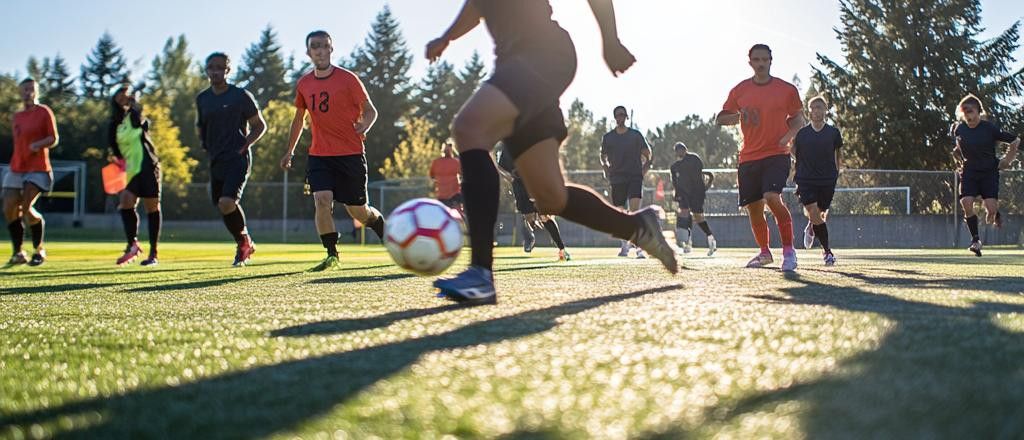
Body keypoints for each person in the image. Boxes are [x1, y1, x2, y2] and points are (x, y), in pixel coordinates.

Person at [426, 0, 677, 305]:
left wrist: (610, 41)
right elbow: (477, 6)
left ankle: (480, 273)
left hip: (542, 55)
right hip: (517, 65)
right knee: (550, 197)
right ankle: (638, 227)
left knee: (469, 128)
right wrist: (447, 37)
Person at [281, 30, 387, 271]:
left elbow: (371, 110)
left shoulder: (348, 79)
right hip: (319, 155)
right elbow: (299, 119)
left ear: (331, 48)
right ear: (308, 52)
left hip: (350, 154)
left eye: (324, 45)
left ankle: (379, 224)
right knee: (322, 200)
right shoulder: (304, 84)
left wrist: (365, 124)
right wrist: (290, 151)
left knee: (358, 212)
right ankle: (331, 255)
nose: (319, 50)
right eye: (314, 46)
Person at [716, 44, 805, 272]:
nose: (761, 63)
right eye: (756, 59)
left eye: (765, 59)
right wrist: (739, 115)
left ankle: (789, 252)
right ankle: (764, 253)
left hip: (776, 155)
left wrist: (786, 138)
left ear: (771, 61)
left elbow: (798, 120)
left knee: (771, 197)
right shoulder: (740, 90)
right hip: (748, 157)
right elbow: (721, 118)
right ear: (750, 62)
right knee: (754, 209)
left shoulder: (786, 90)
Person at [196, 52, 267, 267]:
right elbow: (201, 127)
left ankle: (243, 243)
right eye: (211, 67)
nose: (215, 71)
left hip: (237, 157)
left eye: (220, 67)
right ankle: (244, 240)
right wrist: (206, 147)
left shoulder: (240, 96)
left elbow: (260, 126)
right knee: (222, 205)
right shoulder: (203, 99)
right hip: (216, 159)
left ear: (227, 70)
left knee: (228, 202)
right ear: (206, 70)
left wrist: (246, 144)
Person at [951, 94, 1020, 256]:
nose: (968, 115)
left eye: (971, 111)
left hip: (989, 172)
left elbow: (1015, 141)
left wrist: (1007, 161)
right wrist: (957, 152)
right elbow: (959, 144)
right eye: (965, 112)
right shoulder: (959, 129)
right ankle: (975, 240)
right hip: (969, 171)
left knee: (991, 211)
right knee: (966, 202)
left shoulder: (989, 128)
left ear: (979, 112)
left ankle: (994, 213)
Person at [3, 78, 58, 267]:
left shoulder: (44, 112)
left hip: (38, 169)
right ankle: (18, 252)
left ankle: (38, 249)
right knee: (9, 206)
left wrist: (38, 144)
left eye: (31, 89)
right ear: (20, 92)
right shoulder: (17, 116)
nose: (28, 92)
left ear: (36, 91)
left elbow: (54, 138)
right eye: (24, 89)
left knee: (26, 206)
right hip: (17, 167)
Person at [109, 84, 162, 266]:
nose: (124, 96)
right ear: (115, 97)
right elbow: (115, 150)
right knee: (125, 203)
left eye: (127, 93)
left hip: (148, 166)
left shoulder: (135, 114)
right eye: (120, 93)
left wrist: (135, 103)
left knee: (152, 207)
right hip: (130, 170)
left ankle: (153, 253)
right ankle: (132, 244)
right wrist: (116, 164)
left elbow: (140, 120)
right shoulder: (113, 123)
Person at [497, 145, 571, 261]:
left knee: (545, 216)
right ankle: (530, 234)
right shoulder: (508, 147)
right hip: (520, 186)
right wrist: (511, 178)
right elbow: (500, 167)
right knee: (529, 218)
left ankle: (562, 249)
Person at [792, 96, 842, 266]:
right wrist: (802, 164)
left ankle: (812, 226)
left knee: (819, 214)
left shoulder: (833, 133)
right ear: (809, 111)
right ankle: (827, 252)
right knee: (813, 211)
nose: (817, 111)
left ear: (825, 110)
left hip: (827, 179)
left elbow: (838, 154)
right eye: (813, 108)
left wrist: (836, 172)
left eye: (820, 107)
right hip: (805, 179)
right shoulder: (802, 134)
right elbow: (793, 150)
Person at [601, 105, 652, 258]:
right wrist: (605, 167)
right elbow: (602, 155)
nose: (620, 117)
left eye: (623, 115)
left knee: (635, 212)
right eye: (617, 115)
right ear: (615, 117)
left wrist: (644, 169)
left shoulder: (635, 135)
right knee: (621, 214)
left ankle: (639, 248)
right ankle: (624, 246)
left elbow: (648, 154)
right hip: (617, 178)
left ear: (626, 117)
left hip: (634, 177)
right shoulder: (608, 137)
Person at [670, 142, 717, 256]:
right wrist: (677, 194)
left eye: (681, 149)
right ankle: (686, 243)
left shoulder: (694, 159)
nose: (679, 152)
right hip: (683, 195)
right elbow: (675, 183)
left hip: (696, 194)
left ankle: (711, 239)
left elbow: (698, 177)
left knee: (698, 217)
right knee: (684, 214)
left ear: (685, 149)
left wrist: (701, 189)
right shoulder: (674, 166)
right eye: (677, 150)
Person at [430, 141, 463, 214]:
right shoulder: (455, 162)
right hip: (454, 195)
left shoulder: (436, 162)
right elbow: (463, 174)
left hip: (441, 196)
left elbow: (432, 176)